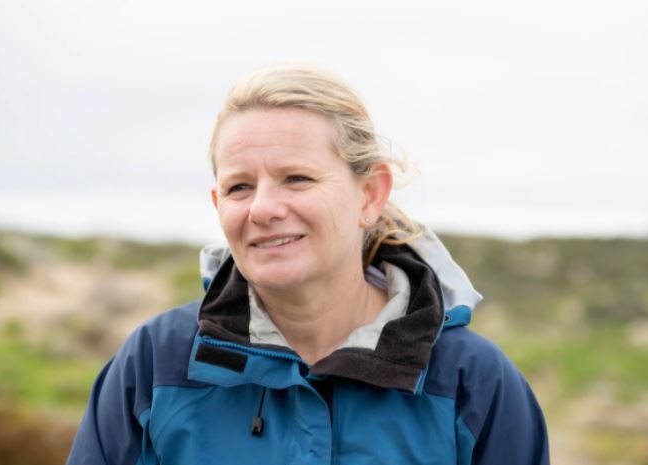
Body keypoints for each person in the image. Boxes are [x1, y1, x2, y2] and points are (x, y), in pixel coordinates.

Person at [66, 64, 550, 465]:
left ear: (370, 193)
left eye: (296, 178)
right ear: (218, 204)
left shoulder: (471, 379)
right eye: (239, 187)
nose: (262, 208)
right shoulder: (156, 362)